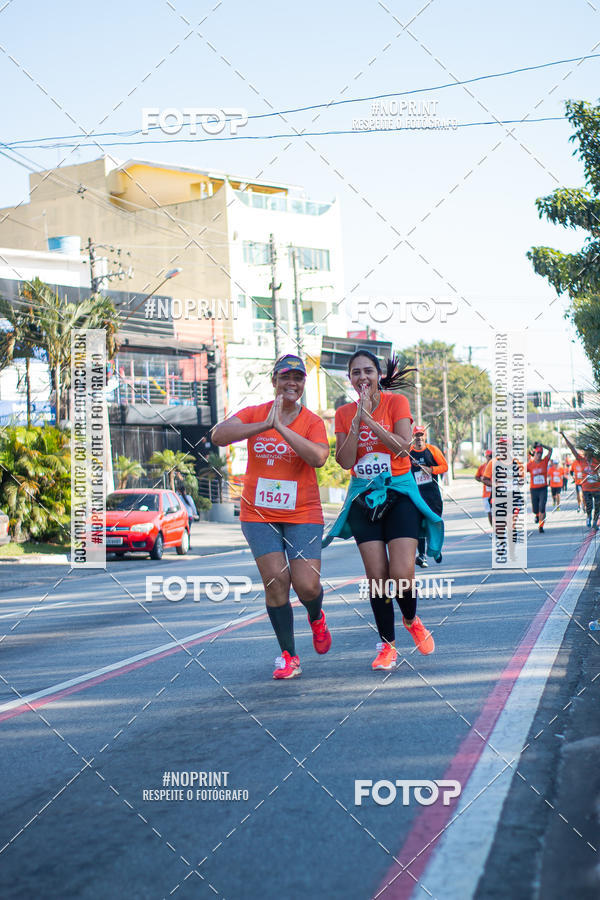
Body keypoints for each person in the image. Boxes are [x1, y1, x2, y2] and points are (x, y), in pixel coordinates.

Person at [211, 353, 331, 680]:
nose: (291, 382)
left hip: (303, 512)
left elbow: (319, 457)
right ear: (274, 381)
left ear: (304, 384)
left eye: (298, 377)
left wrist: (282, 429)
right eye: (285, 376)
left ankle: (316, 615)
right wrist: (266, 424)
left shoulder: (312, 422)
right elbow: (218, 435)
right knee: (277, 582)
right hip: (258, 513)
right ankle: (289, 656)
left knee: (307, 585)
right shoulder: (255, 413)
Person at [325, 350, 443, 671]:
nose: (362, 377)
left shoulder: (396, 403)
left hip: (399, 492)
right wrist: (355, 421)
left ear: (378, 375)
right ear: (349, 379)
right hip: (364, 497)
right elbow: (346, 461)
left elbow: (403, 447)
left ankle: (411, 618)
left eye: (368, 371)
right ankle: (387, 646)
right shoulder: (342, 412)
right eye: (355, 373)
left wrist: (369, 421)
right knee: (377, 577)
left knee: (402, 572)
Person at [409, 425, 448, 567]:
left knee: (434, 522)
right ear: (412, 437)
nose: (419, 438)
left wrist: (431, 470)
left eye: (421, 435)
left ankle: (436, 550)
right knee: (419, 525)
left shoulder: (432, 450)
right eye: (416, 435)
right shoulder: (408, 452)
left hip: (432, 495)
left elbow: (444, 466)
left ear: (425, 436)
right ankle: (422, 555)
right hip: (415, 495)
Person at [561, 432, 600, 529]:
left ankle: (595, 521)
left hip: (597, 488)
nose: (588, 455)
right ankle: (588, 517)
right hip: (586, 489)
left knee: (598, 506)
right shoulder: (581, 460)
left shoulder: (597, 460)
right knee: (589, 506)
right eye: (587, 453)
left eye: (590, 452)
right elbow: (572, 449)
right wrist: (564, 436)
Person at [526, 442, 552, 533]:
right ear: (534, 454)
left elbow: (550, 450)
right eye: (537, 453)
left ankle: (541, 526)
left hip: (543, 489)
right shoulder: (530, 464)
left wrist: (542, 445)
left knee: (542, 507)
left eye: (541, 453)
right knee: (535, 509)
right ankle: (537, 515)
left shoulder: (544, 461)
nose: (539, 455)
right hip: (534, 490)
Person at [476, 449, 493, 525]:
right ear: (486, 456)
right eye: (489, 456)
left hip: (497, 493)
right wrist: (482, 480)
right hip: (486, 494)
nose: (490, 457)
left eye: (492, 456)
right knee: (489, 512)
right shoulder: (482, 467)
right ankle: (493, 529)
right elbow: (477, 477)